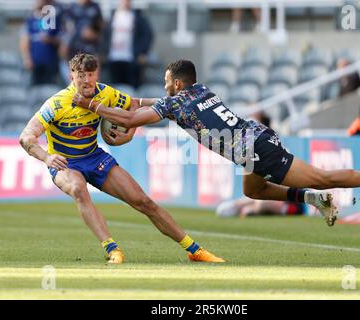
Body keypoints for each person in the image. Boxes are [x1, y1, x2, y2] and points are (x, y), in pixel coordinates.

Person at [73, 59, 360, 227]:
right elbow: (146, 108)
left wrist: (89, 104)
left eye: (166, 82)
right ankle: (316, 200)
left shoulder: (177, 102)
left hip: (257, 148)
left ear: (177, 84)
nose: (164, 87)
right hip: (251, 145)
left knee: (323, 177)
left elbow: (134, 120)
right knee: (254, 192)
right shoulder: (199, 91)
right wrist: (134, 103)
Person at [19, 54, 224, 264]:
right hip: (65, 162)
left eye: (91, 75)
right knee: (79, 189)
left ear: (97, 74)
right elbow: (26, 137)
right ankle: (113, 250)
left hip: (94, 157)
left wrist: (136, 128)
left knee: (144, 202)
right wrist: (47, 157)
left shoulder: (105, 93)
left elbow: (133, 104)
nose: (87, 80)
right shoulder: (57, 103)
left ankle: (194, 250)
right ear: (72, 77)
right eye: (81, 75)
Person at [105, 0, 153, 88]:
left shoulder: (138, 17)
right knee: (115, 89)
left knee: (131, 89)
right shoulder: (113, 16)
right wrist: (103, 52)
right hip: (114, 58)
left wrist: (143, 52)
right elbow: (105, 36)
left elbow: (147, 35)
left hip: (131, 59)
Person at [20, 0, 64, 85]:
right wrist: (27, 58)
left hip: (51, 62)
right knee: (36, 88)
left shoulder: (55, 19)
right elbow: (25, 40)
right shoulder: (31, 19)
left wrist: (50, 39)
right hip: (35, 62)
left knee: (51, 88)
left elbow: (61, 40)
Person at [216, 197, 303, 218]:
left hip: (290, 206)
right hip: (286, 207)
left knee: (259, 201)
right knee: (259, 202)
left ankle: (237, 205)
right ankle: (237, 206)